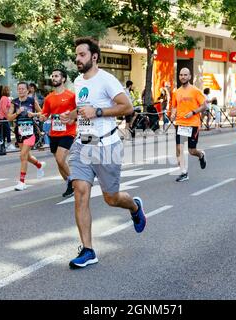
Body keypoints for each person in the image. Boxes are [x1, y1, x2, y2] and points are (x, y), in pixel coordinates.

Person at [59, 37, 146, 269]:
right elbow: (83, 109)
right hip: (83, 144)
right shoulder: (78, 81)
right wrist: (73, 115)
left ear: (94, 56)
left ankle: (134, 207)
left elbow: (127, 107)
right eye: (76, 55)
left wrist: (97, 111)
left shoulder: (107, 79)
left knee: (111, 198)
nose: (77, 59)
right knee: (80, 191)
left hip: (107, 146)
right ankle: (88, 250)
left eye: (82, 55)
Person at [41, 69, 76, 197]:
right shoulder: (49, 98)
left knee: (61, 159)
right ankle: (69, 185)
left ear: (63, 79)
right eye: (53, 76)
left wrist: (72, 120)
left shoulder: (71, 96)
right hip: (54, 133)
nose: (53, 78)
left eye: (56, 76)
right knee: (59, 162)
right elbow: (45, 114)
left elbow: (77, 112)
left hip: (68, 132)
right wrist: (42, 117)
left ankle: (73, 181)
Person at [6, 82, 46, 191]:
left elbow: (43, 112)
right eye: (19, 89)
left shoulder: (32, 101)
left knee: (22, 156)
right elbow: (9, 118)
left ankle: (22, 182)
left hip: (30, 132)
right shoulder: (14, 102)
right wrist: (17, 113)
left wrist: (34, 114)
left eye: (23, 89)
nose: (21, 90)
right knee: (27, 156)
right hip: (19, 133)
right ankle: (39, 165)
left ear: (27, 90)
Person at [170, 68, 207, 182]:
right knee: (179, 148)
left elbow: (204, 106)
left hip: (193, 124)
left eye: (185, 75)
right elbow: (174, 106)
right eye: (181, 75)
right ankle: (184, 173)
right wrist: (172, 113)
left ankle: (201, 155)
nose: (183, 77)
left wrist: (193, 112)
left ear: (190, 76)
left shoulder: (195, 91)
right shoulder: (176, 92)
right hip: (180, 123)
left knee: (192, 151)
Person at [0, 85, 16, 151]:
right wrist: (8, 115)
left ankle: (3, 144)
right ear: (7, 91)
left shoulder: (4, 98)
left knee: (4, 131)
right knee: (8, 130)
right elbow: (4, 108)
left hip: (3, 117)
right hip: (4, 117)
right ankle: (8, 144)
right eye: (9, 90)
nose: (10, 91)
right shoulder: (5, 98)